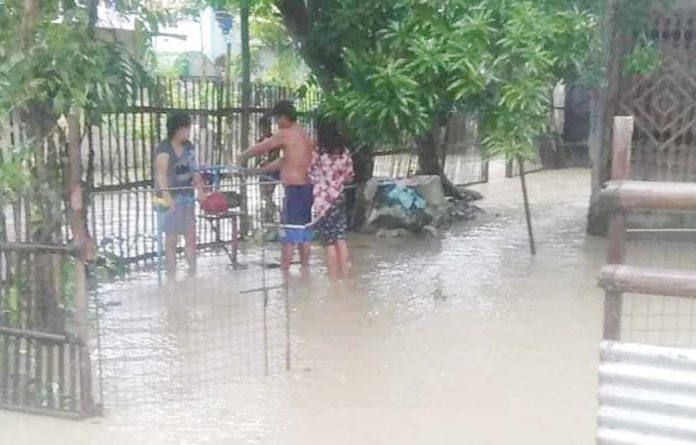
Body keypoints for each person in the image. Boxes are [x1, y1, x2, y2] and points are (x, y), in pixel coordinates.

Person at [238, 101, 314, 272]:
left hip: (294, 190)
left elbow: (263, 147)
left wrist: (241, 156)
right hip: (307, 189)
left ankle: (284, 273)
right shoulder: (303, 135)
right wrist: (261, 170)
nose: (276, 123)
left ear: (284, 117)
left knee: (289, 234)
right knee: (303, 232)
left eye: (277, 119)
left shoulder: (286, 134)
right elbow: (286, 160)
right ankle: (305, 271)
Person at [155, 113, 207, 276]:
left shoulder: (189, 147)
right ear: (177, 130)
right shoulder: (164, 149)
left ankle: (192, 274)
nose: (189, 131)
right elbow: (161, 174)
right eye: (186, 128)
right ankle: (171, 277)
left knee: (191, 236)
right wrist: (167, 196)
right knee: (171, 239)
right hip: (169, 198)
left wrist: (200, 190)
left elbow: (194, 170)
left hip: (186, 196)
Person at [310, 119, 354, 280]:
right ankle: (344, 279)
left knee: (329, 242)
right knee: (340, 238)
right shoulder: (345, 152)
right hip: (340, 198)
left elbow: (310, 172)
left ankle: (334, 281)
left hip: (323, 202)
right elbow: (349, 177)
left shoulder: (318, 152)